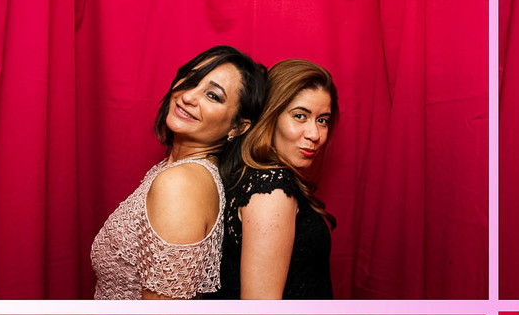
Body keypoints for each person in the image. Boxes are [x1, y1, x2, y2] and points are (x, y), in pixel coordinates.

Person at [91, 45, 267, 299]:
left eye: (213, 96)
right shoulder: (175, 169)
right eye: (192, 80)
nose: (188, 97)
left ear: (238, 127)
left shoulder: (181, 184)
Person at [203, 59, 338, 299]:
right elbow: (261, 310)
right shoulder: (271, 188)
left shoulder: (256, 176)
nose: (315, 134)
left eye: (322, 120)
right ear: (271, 116)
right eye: (300, 116)